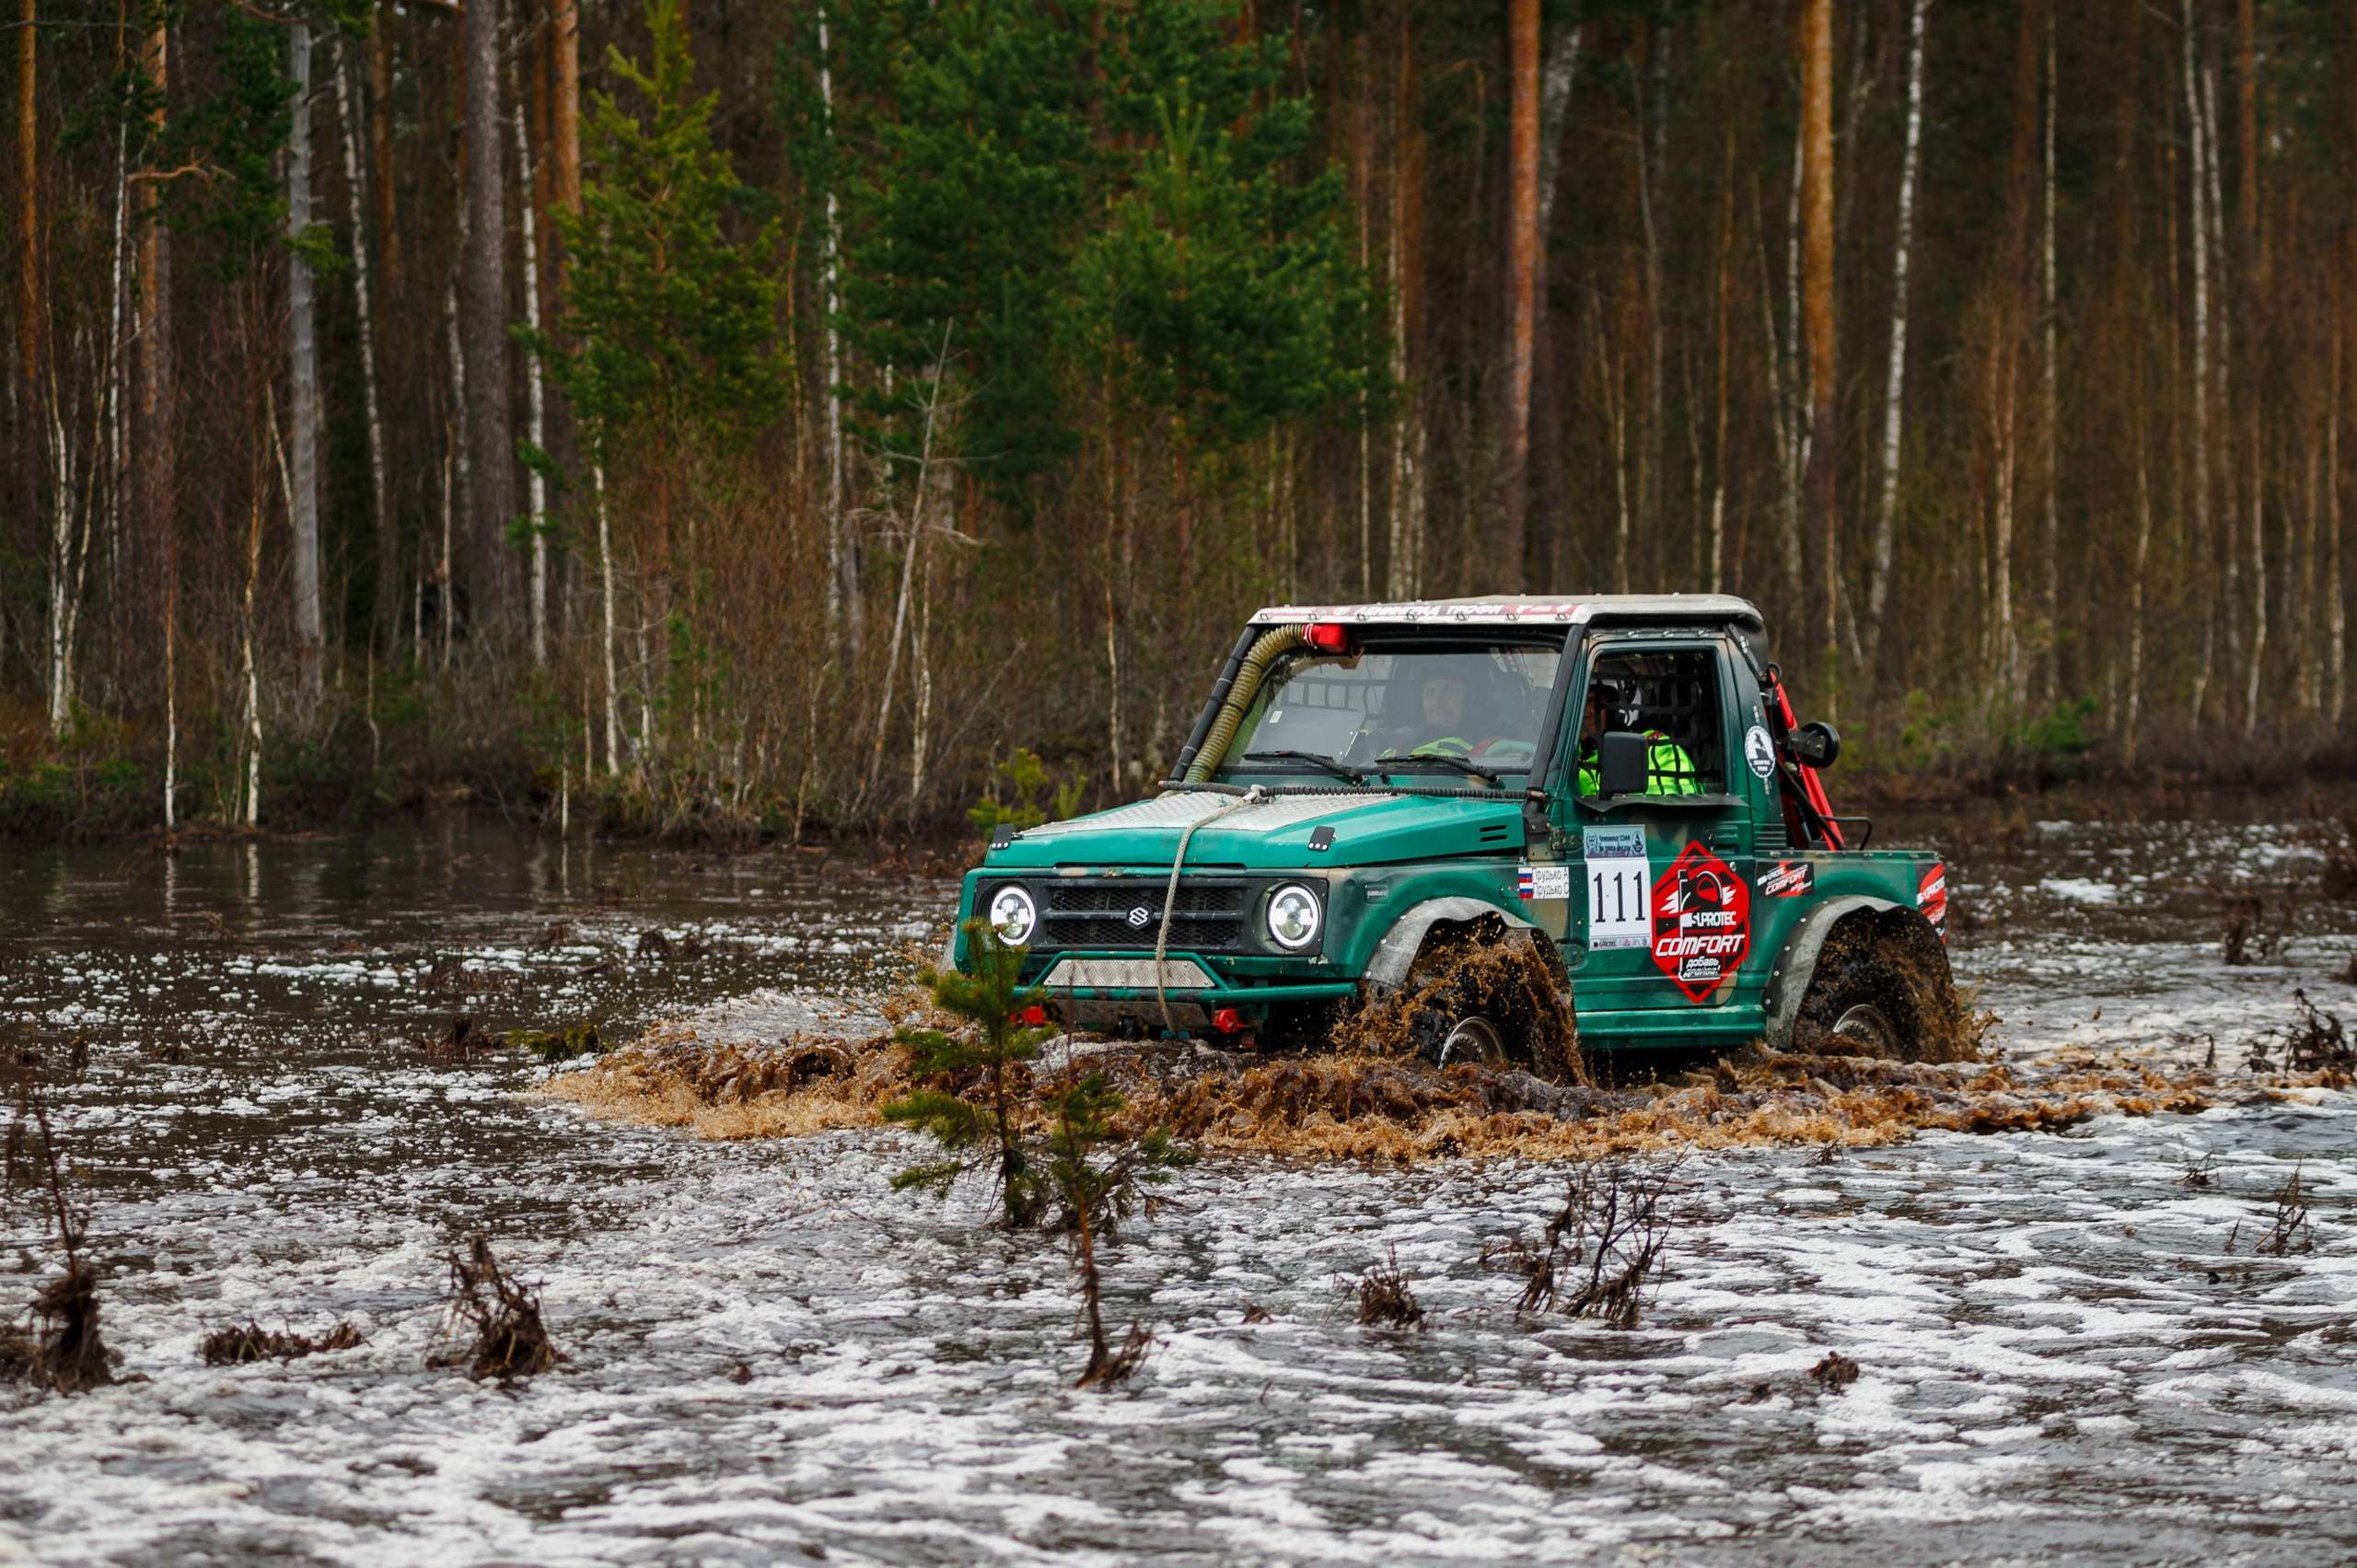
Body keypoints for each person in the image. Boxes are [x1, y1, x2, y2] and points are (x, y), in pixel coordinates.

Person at [1575, 674, 1700, 796]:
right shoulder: (1569, 755)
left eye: (1592, 702)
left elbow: (1666, 806)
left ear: (1613, 711)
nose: (1584, 713)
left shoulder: (1656, 748)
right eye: (1577, 705)